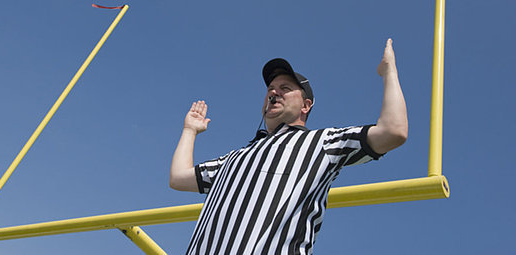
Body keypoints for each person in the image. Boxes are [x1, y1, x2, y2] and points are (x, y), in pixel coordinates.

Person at [170, 39, 408, 255]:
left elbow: (393, 131)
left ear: (306, 105)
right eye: (270, 88)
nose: (274, 91)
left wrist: (389, 72)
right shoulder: (233, 159)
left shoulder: (322, 143)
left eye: (285, 88)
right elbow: (179, 178)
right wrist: (189, 131)